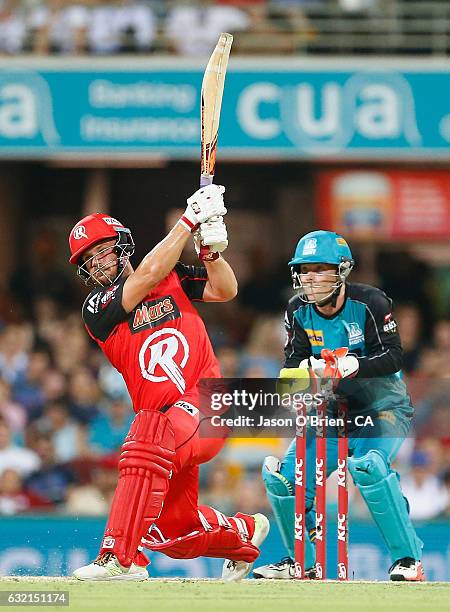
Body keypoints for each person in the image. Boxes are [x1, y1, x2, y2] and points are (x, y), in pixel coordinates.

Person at [68, 184, 269, 581]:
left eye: (102, 251)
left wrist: (211, 251)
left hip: (207, 403)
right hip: (167, 428)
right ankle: (242, 535)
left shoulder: (172, 274)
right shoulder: (97, 309)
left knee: (144, 436)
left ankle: (119, 558)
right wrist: (189, 220)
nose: (97, 263)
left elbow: (225, 289)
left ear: (122, 245)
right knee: (173, 534)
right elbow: (146, 276)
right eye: (88, 260)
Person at [254, 230, 425, 582]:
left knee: (369, 467)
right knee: (283, 480)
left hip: (382, 409)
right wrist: (302, 377)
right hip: (331, 413)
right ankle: (301, 560)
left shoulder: (371, 302)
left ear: (342, 271)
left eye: (321, 269)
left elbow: (394, 356)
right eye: (305, 269)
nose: (311, 278)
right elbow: (291, 371)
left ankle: (408, 559)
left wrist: (354, 366)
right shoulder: (297, 310)